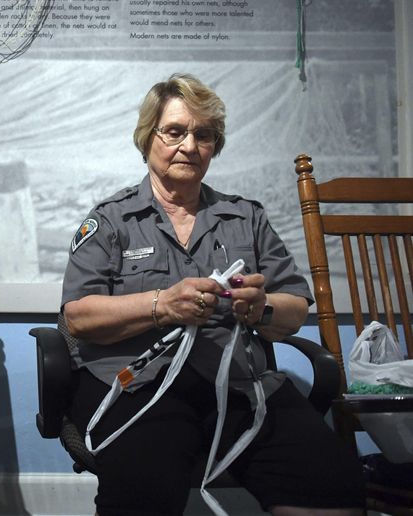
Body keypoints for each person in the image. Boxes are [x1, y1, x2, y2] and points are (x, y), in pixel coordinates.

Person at [61, 73, 364, 516]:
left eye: (204, 135)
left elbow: (294, 308)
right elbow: (78, 317)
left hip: (241, 390)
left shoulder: (246, 218)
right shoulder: (111, 221)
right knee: (142, 495)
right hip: (140, 389)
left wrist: (261, 308)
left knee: (334, 484)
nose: (189, 145)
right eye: (175, 132)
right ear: (148, 139)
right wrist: (162, 304)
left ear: (215, 147)